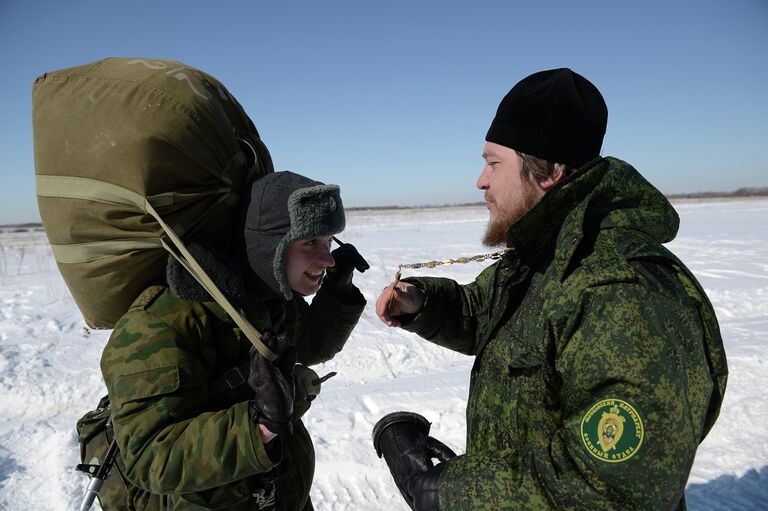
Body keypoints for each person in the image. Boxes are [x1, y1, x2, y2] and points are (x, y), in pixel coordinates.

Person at [373, 68, 727, 510]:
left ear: (550, 171)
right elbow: (486, 311)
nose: (481, 181)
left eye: (493, 163)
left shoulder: (621, 292)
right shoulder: (545, 256)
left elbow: (616, 483)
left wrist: (450, 492)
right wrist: (423, 303)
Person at [100, 170, 368, 510]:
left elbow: (311, 346)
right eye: (310, 242)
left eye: (329, 242)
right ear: (271, 245)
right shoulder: (160, 325)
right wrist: (259, 426)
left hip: (278, 494)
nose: (328, 258)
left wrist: (337, 293)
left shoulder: (267, 298)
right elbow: (149, 458)